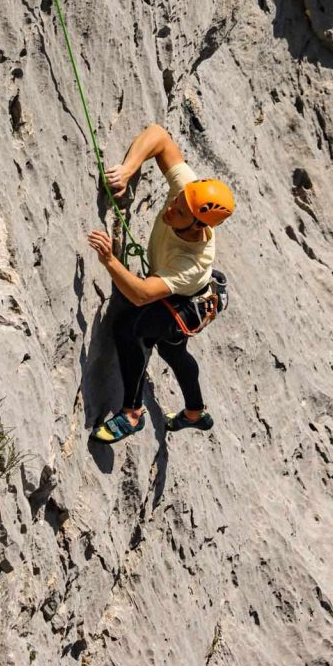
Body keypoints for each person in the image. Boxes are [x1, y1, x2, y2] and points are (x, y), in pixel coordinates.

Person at [87, 124, 234, 444]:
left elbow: (141, 295)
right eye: (176, 200)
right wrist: (126, 171)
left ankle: (131, 413)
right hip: (183, 292)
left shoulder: (191, 264)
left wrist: (110, 261)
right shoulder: (190, 194)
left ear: (198, 225)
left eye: (179, 211)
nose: (170, 208)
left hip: (184, 302)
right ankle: (195, 413)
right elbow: (158, 136)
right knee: (173, 350)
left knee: (132, 328)